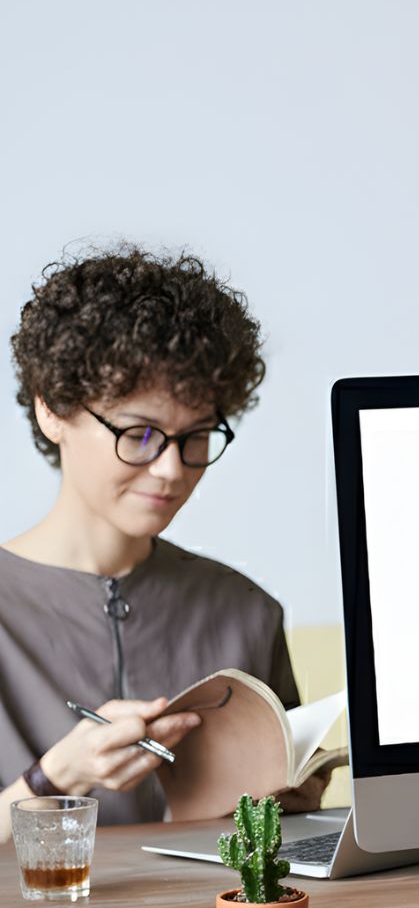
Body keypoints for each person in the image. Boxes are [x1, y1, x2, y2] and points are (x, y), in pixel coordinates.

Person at [0, 246, 313, 842]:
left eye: (196, 436)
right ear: (51, 410)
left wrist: (295, 795)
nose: (172, 469)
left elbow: (280, 836)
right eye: (140, 434)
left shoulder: (246, 611)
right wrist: (57, 774)